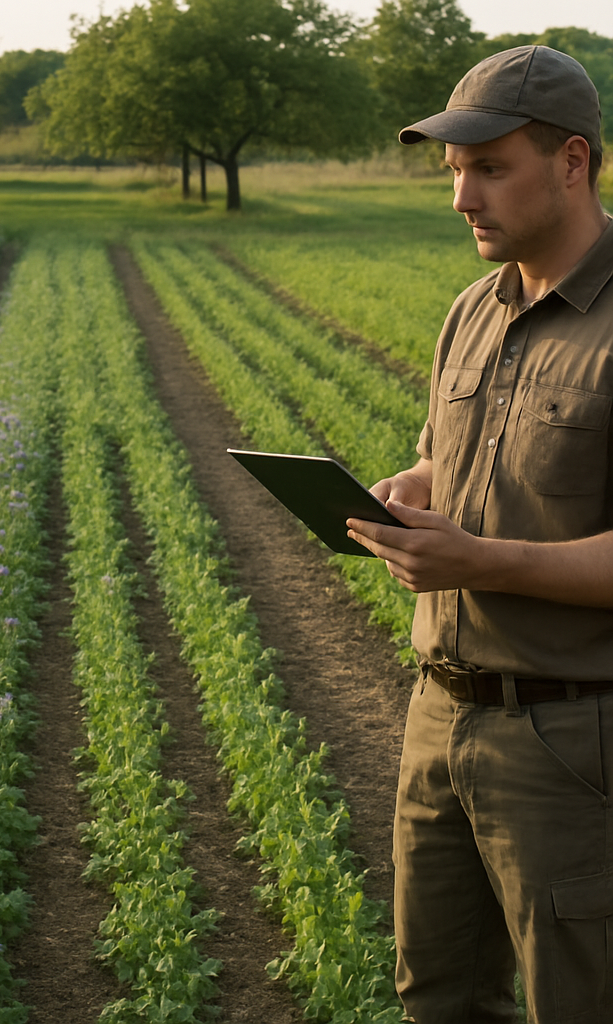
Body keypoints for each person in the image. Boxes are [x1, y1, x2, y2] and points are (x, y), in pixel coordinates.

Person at [345, 45, 613, 1024]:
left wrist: (478, 561)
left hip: (572, 740)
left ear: (573, 162)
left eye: (490, 168)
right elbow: (448, 457)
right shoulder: (473, 309)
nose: (461, 196)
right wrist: (410, 490)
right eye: (454, 169)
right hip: (437, 714)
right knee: (439, 996)